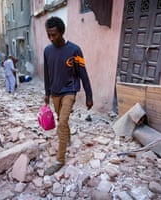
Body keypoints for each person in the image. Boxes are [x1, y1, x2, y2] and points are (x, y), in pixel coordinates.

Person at [43, 16, 93, 175]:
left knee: (62, 121)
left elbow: (83, 74)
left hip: (70, 90)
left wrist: (89, 95)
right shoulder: (47, 51)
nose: (51, 38)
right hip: (55, 92)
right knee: (61, 120)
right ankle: (67, 136)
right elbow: (46, 73)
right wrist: (47, 93)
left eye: (54, 35)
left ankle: (59, 159)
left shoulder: (74, 50)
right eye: (49, 35)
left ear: (62, 32)